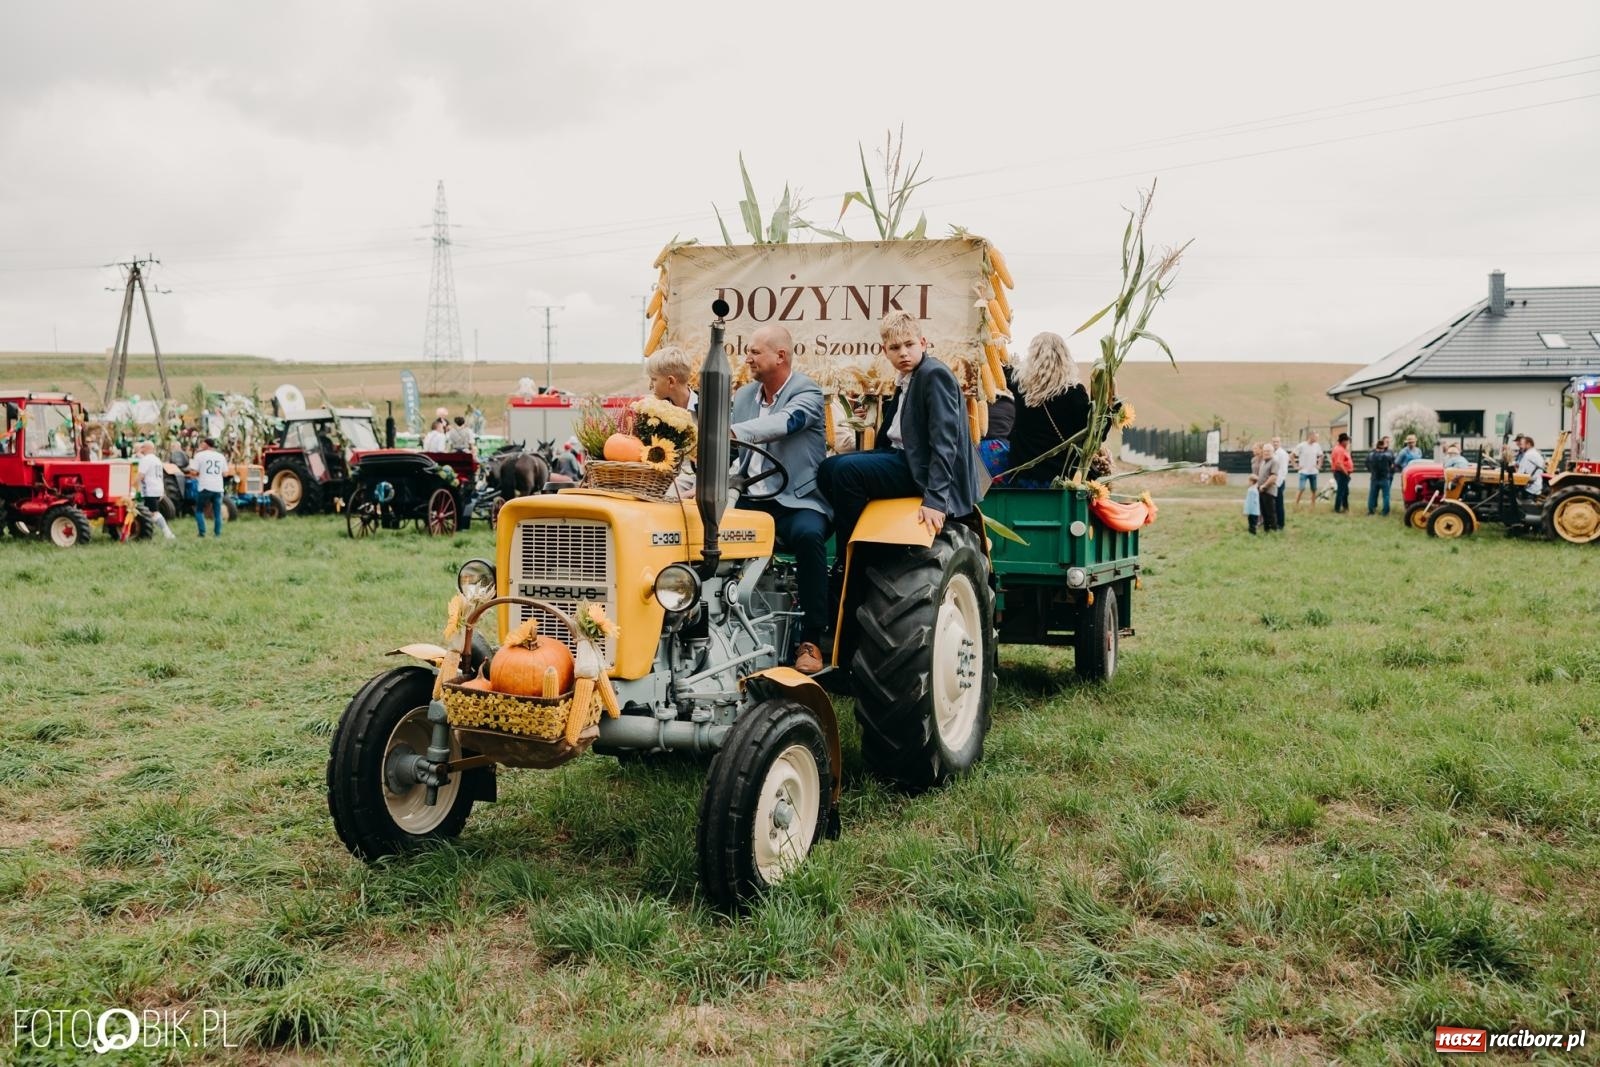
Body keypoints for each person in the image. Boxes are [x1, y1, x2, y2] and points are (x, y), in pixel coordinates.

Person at [819, 310, 983, 557]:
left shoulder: (933, 374)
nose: (903, 353)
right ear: (885, 351)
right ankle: (858, 539)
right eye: (895, 347)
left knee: (846, 473)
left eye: (909, 345)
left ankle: (853, 558)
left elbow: (946, 441)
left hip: (923, 468)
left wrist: (936, 500)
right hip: (902, 458)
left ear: (923, 343)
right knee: (828, 468)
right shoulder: (909, 376)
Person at [730, 325, 831, 675]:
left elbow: (787, 423)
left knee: (808, 536)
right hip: (750, 497)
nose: (748, 358)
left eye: (755, 352)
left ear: (780, 356)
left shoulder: (807, 392)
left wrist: (733, 431)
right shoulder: (744, 396)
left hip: (797, 500)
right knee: (706, 531)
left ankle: (812, 639)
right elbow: (731, 453)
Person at [1005, 332, 1091, 487]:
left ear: (1032, 357)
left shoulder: (1019, 386)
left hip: (1023, 475)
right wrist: (1113, 406)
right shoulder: (1075, 392)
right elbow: (1092, 434)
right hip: (1061, 479)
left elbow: (999, 367)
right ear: (1064, 357)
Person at [135, 441, 176, 540]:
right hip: (157, 488)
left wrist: (132, 484)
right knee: (148, 512)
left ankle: (167, 532)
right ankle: (148, 531)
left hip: (149, 490)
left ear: (145, 448)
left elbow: (141, 475)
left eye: (142, 447)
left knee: (153, 513)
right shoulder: (157, 460)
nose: (141, 449)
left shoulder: (145, 460)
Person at [188, 437, 227, 538]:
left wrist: (199, 473)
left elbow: (193, 472)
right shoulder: (221, 456)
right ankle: (217, 534)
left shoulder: (199, 456)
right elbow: (225, 473)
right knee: (217, 512)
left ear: (206, 445)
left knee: (199, 510)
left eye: (202, 443)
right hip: (218, 487)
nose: (201, 445)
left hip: (205, 486)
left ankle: (202, 532)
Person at [646, 345, 699, 414]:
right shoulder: (654, 412)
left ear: (671, 381)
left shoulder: (710, 408)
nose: (650, 386)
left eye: (654, 379)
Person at [1293, 431, 1325, 511]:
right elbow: (1291, 455)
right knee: (1301, 488)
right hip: (1303, 471)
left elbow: (1321, 456)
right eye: (1316, 437)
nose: (1317, 438)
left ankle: (1312, 506)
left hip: (1313, 471)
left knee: (1314, 489)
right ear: (1310, 436)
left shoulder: (1317, 446)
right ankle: (1295, 506)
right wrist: (1295, 466)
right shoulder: (1301, 445)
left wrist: (1319, 465)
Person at [1366, 436, 1396, 516]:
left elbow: (1367, 464)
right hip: (1384, 477)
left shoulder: (1371, 455)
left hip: (1374, 477)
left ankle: (1371, 511)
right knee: (1386, 495)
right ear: (1383, 447)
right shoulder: (1388, 455)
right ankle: (1385, 512)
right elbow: (1391, 465)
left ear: (1376, 446)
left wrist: (1371, 471)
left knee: (1372, 495)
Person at [1255, 443, 1280, 532]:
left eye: (1268, 451)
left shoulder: (1274, 461)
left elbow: (1273, 477)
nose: (1266, 453)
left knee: (1270, 513)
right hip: (1261, 491)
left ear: (1273, 452)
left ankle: (1274, 530)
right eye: (1265, 451)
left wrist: (1264, 486)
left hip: (1269, 491)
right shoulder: (1263, 462)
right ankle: (1267, 530)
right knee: (1264, 512)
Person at [1330, 432, 1354, 512]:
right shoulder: (1339, 450)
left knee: (1345, 491)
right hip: (1341, 473)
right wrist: (1346, 473)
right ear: (1343, 441)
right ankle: (1337, 509)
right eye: (1347, 441)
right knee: (1341, 491)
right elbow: (1339, 463)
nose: (1348, 443)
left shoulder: (1341, 449)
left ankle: (1345, 507)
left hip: (1342, 473)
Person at [1269, 435, 1290, 529]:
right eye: (1274, 442)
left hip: (1279, 483)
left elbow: (1283, 470)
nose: (1275, 443)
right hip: (1272, 482)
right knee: (1272, 504)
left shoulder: (1282, 454)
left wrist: (1278, 483)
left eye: (1277, 442)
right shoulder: (1272, 453)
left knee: (1279, 504)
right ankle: (1274, 521)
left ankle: (1281, 524)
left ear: (1280, 442)